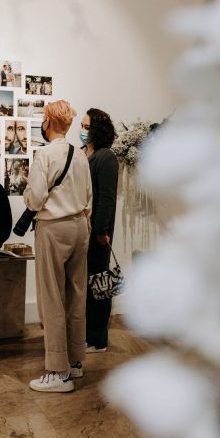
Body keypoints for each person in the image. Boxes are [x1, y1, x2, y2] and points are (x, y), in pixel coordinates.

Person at [24, 100, 92, 393]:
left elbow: (36, 198)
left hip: (54, 228)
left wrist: (29, 198)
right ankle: (75, 362)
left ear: (48, 122)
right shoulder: (80, 155)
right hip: (79, 226)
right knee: (76, 295)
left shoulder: (44, 154)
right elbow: (89, 195)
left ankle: (57, 370)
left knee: (51, 297)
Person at [81, 108, 118, 353]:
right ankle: (87, 334)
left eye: (86, 126)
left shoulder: (106, 157)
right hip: (83, 231)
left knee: (99, 285)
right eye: (82, 126)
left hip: (98, 232)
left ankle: (98, 338)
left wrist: (101, 230)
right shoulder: (86, 153)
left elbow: (106, 198)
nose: (82, 131)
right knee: (87, 283)